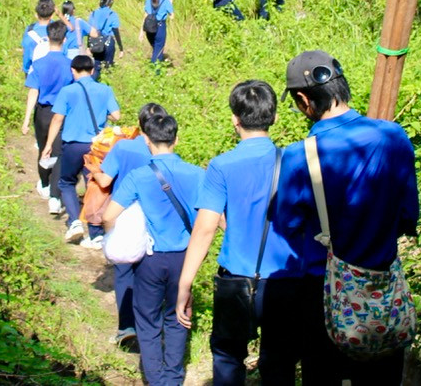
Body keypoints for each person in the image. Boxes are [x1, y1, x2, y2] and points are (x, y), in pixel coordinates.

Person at [270, 50, 419, 385]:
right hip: (383, 289)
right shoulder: (393, 137)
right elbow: (409, 217)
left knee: (322, 377)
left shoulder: (299, 156)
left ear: (304, 100)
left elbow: (287, 226)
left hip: (323, 293)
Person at [176, 80, 295, 385]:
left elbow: (204, 229)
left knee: (228, 355)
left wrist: (185, 283)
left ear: (235, 119)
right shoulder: (296, 163)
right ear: (274, 118)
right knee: (279, 360)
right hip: (285, 280)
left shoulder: (221, 166)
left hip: (235, 280)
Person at [104, 112, 203, 386]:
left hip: (149, 259)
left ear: (146, 140)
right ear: (177, 138)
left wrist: (121, 236)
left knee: (147, 321)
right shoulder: (197, 174)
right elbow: (213, 219)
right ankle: (173, 378)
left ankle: (156, 380)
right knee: (178, 315)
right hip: (185, 257)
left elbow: (108, 216)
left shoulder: (138, 177)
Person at [90, 102, 168, 347]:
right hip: (153, 216)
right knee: (148, 273)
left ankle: (126, 328)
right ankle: (150, 326)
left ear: (140, 123)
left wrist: (92, 170)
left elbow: (105, 178)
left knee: (124, 271)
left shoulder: (123, 147)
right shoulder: (162, 150)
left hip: (124, 214)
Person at [41, 55, 121, 244]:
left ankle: (75, 222)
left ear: (73, 71)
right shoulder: (105, 89)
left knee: (67, 182)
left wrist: (48, 145)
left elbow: (57, 119)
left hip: (73, 145)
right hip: (95, 146)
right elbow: (117, 116)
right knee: (93, 186)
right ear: (92, 71)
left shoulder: (67, 91)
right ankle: (96, 232)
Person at [21, 21, 73, 216]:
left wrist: (26, 119)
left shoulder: (38, 64)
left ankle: (44, 183)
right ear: (65, 39)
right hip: (62, 113)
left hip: (42, 113)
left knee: (44, 148)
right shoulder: (70, 66)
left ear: (48, 38)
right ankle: (55, 195)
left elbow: (33, 93)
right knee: (59, 152)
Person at [88, 0, 123, 81]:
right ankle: (106, 85)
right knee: (108, 66)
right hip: (108, 42)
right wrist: (121, 48)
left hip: (96, 42)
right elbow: (116, 31)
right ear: (110, 2)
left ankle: (93, 83)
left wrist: (89, 45)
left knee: (96, 66)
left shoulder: (93, 14)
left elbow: (90, 31)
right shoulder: (112, 14)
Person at [21, 0, 57, 74]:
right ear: (52, 15)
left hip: (35, 72)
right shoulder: (57, 29)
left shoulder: (30, 31)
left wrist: (26, 69)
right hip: (55, 70)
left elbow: (26, 52)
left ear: (36, 15)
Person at [142, 0, 173, 65]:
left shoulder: (149, 0)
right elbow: (172, 16)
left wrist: (141, 32)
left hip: (149, 27)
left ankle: (154, 66)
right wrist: (171, 4)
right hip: (160, 27)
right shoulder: (166, 1)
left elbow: (145, 15)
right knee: (158, 51)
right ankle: (156, 72)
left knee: (156, 48)